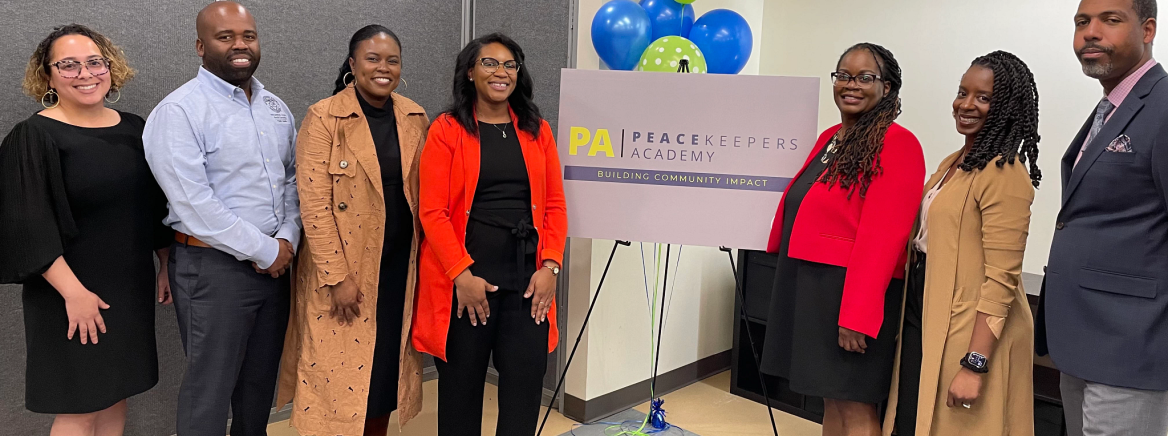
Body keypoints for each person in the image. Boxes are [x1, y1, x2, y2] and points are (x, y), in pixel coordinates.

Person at [0, 24, 170, 436]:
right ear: (48, 75)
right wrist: (74, 294)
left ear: (111, 67)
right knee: (79, 405)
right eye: (69, 65)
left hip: (128, 285)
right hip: (69, 292)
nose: (86, 73)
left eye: (96, 62)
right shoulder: (34, 136)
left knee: (116, 391)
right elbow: (26, 224)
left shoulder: (134, 128)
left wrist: (165, 264)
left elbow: (155, 206)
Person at [142, 2, 300, 435]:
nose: (239, 45)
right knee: (208, 394)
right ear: (200, 45)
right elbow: (193, 203)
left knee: (258, 389)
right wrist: (267, 250)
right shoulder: (179, 111)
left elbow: (291, 181)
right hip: (212, 271)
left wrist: (286, 239)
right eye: (224, 36)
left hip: (275, 268)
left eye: (247, 35)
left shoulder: (274, 108)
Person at [759, 42, 925, 436]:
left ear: (888, 88)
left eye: (866, 77)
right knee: (830, 397)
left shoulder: (897, 143)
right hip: (813, 286)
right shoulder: (833, 137)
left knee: (855, 403)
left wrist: (857, 316)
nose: (851, 85)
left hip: (849, 294)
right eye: (844, 75)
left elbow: (883, 237)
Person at [274, 25, 428, 436]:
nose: (383, 67)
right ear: (352, 64)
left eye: (392, 60)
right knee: (334, 379)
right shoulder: (324, 117)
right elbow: (314, 205)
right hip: (344, 271)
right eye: (372, 58)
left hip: (397, 270)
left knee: (380, 375)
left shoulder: (413, 116)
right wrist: (337, 277)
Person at [411, 32, 568, 436]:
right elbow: (433, 211)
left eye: (510, 64)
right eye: (490, 63)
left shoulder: (538, 130)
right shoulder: (447, 129)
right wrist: (461, 275)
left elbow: (554, 206)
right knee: (460, 396)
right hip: (465, 279)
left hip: (528, 280)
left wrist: (550, 266)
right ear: (469, 72)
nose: (501, 72)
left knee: (523, 393)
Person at [884, 51, 1041, 436]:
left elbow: (1002, 279)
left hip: (972, 325)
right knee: (911, 417)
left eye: (983, 97)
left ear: (1006, 106)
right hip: (927, 305)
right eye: (962, 92)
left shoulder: (1004, 172)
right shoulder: (953, 163)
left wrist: (974, 363)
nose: (966, 105)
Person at [1037, 0, 1168, 434]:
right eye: (1081, 22)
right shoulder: (1108, 109)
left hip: (1132, 351)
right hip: (1081, 343)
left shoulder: (1163, 107)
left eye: (1110, 21)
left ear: (1147, 30)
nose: (1091, 33)